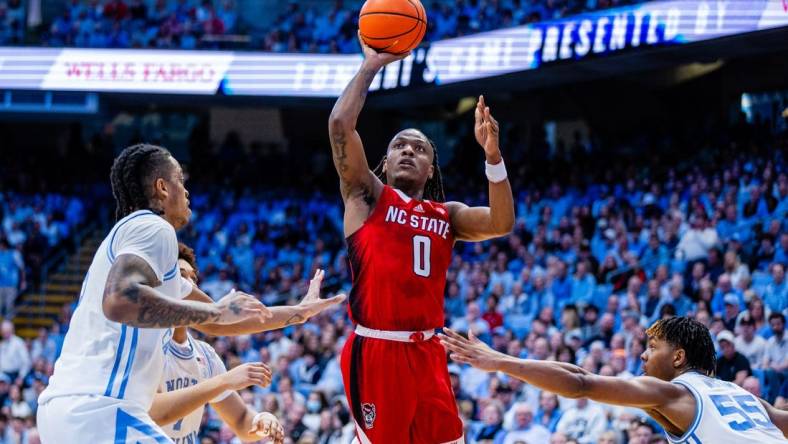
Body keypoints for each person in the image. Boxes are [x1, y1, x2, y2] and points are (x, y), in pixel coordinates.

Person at [37, 144, 344, 443]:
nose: (186, 191)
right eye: (180, 180)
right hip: (99, 409)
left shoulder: (149, 255)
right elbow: (120, 300)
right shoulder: (153, 227)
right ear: (161, 187)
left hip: (69, 411)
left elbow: (219, 322)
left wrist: (299, 312)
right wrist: (215, 312)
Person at [328, 35, 514, 443]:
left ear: (431, 169)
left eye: (420, 148)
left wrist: (493, 157)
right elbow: (341, 126)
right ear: (386, 161)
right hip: (377, 350)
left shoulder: (446, 216)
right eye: (399, 146)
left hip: (428, 352)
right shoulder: (366, 195)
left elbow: (501, 222)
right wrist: (370, 67)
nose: (408, 151)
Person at [439, 316, 788, 443]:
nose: (642, 356)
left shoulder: (671, 392)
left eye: (652, 348)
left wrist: (501, 360)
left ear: (679, 357)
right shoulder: (741, 395)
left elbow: (580, 383)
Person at [149, 243, 285, 444]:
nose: (189, 285)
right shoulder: (147, 346)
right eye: (181, 276)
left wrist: (262, 420)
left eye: (193, 279)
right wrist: (224, 381)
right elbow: (154, 412)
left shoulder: (205, 355)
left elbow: (240, 421)